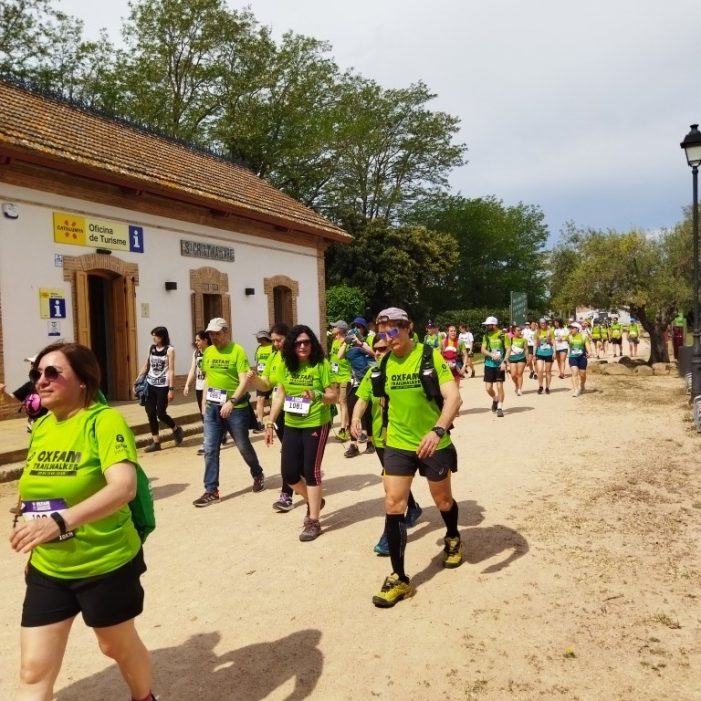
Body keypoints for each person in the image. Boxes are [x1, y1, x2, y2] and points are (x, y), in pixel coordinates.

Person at [9, 342, 155, 701]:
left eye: (52, 372)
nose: (40, 381)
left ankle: (144, 697)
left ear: (83, 381)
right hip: (50, 567)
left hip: (104, 562)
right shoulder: (42, 426)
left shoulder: (104, 421)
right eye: (36, 374)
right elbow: (36, 492)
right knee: (32, 671)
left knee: (114, 647)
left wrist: (58, 522)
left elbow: (124, 487)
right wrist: (32, 535)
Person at [358, 307, 462, 608]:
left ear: (408, 328)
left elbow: (454, 397)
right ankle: (400, 578)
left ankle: (453, 535)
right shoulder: (385, 363)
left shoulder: (430, 356)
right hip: (399, 444)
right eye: (383, 333)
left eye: (394, 331)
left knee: (442, 501)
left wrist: (437, 431)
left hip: (433, 442)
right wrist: (357, 417)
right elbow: (369, 395)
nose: (389, 338)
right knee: (393, 504)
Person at [351, 333, 423, 557]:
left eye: (384, 348)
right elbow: (362, 398)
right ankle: (410, 510)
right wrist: (354, 418)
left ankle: (392, 529)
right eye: (377, 349)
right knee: (392, 485)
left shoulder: (404, 371)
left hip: (408, 437)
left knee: (392, 486)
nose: (381, 353)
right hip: (384, 440)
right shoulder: (373, 374)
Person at [264, 325, 337, 541]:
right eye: (298, 343)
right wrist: (269, 422)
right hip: (292, 423)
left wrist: (316, 394)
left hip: (316, 422)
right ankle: (314, 500)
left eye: (307, 342)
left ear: (312, 343)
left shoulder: (320, 364)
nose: (303, 346)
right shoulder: (287, 365)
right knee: (289, 474)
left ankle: (313, 520)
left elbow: (332, 395)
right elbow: (279, 395)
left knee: (311, 470)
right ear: (291, 346)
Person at [193, 318, 265, 507]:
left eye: (217, 333)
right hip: (212, 407)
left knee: (242, 446)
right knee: (210, 449)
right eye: (211, 334)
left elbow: (244, 380)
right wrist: (203, 402)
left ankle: (257, 473)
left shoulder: (237, 351)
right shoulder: (208, 352)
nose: (213, 337)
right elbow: (208, 378)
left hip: (236, 409)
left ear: (226, 332)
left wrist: (232, 401)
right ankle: (211, 490)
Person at [139, 326, 184, 452]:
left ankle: (176, 429)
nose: (154, 338)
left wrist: (171, 389)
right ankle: (156, 442)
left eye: (156, 335)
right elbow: (147, 364)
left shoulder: (169, 350)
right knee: (150, 413)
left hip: (163, 386)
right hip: (150, 384)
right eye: (152, 335)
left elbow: (171, 370)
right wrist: (138, 379)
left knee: (161, 413)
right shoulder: (151, 348)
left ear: (162, 336)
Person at [338, 324, 376, 458]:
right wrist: (345, 342)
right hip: (354, 383)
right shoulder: (348, 345)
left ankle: (370, 442)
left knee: (368, 414)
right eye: (355, 327)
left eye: (359, 327)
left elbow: (374, 353)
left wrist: (360, 343)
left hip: (368, 381)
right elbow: (339, 356)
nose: (356, 330)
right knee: (351, 410)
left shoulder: (369, 340)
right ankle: (353, 445)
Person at [0, 356, 48, 432]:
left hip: (48, 426)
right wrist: (2, 393)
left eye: (35, 364)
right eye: (31, 364)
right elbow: (12, 399)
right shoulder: (29, 385)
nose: (32, 366)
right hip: (33, 426)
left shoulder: (51, 384)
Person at [183, 330, 211, 455]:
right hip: (200, 387)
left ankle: (208, 442)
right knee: (204, 414)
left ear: (206, 340)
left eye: (198, 340)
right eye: (196, 340)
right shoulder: (196, 353)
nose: (196, 342)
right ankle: (213, 437)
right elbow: (192, 370)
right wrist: (187, 384)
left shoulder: (213, 352)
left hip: (212, 388)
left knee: (210, 415)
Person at [481, 316, 509, 417]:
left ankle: (500, 407)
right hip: (489, 364)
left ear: (494, 324)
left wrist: (504, 362)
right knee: (488, 388)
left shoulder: (503, 335)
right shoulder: (486, 335)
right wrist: (491, 355)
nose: (487, 326)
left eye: (488, 325)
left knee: (499, 386)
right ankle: (495, 398)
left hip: (500, 364)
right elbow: (482, 350)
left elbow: (508, 349)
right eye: (486, 325)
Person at [329, 320, 351, 441]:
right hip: (334, 377)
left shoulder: (347, 342)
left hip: (344, 377)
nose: (332, 328)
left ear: (341, 330)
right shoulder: (334, 341)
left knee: (343, 402)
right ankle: (346, 426)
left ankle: (343, 429)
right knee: (338, 402)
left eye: (334, 327)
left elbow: (341, 357)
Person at [252, 329, 274, 433]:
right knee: (260, 399)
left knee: (272, 401)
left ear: (263, 338)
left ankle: (273, 421)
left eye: (258, 337)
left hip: (272, 379)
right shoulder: (259, 348)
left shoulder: (273, 348)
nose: (256, 338)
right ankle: (260, 423)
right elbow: (258, 362)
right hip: (261, 379)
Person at [565, 321, 590, 396]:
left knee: (583, 375)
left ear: (577, 329)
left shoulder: (583, 336)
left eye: (572, 328)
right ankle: (576, 389)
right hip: (573, 357)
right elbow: (562, 339)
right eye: (570, 328)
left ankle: (582, 385)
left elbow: (587, 345)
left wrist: (589, 352)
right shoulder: (569, 336)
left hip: (582, 357)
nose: (571, 330)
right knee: (574, 373)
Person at [506, 324, 529, 396]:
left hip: (521, 358)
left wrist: (527, 358)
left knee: (519, 374)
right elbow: (507, 349)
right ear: (514, 332)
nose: (520, 332)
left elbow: (526, 349)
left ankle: (519, 389)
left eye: (520, 330)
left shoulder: (524, 340)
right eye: (518, 330)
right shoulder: (510, 339)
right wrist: (506, 360)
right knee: (513, 375)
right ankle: (516, 384)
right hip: (512, 358)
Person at [534, 318, 555, 394]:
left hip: (549, 353)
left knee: (548, 371)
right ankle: (540, 386)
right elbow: (535, 344)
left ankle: (547, 387)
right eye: (542, 323)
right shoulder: (537, 332)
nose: (543, 324)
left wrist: (554, 352)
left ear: (546, 323)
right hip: (539, 353)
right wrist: (534, 354)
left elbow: (553, 342)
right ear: (539, 324)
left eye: (544, 323)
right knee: (540, 370)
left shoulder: (550, 331)